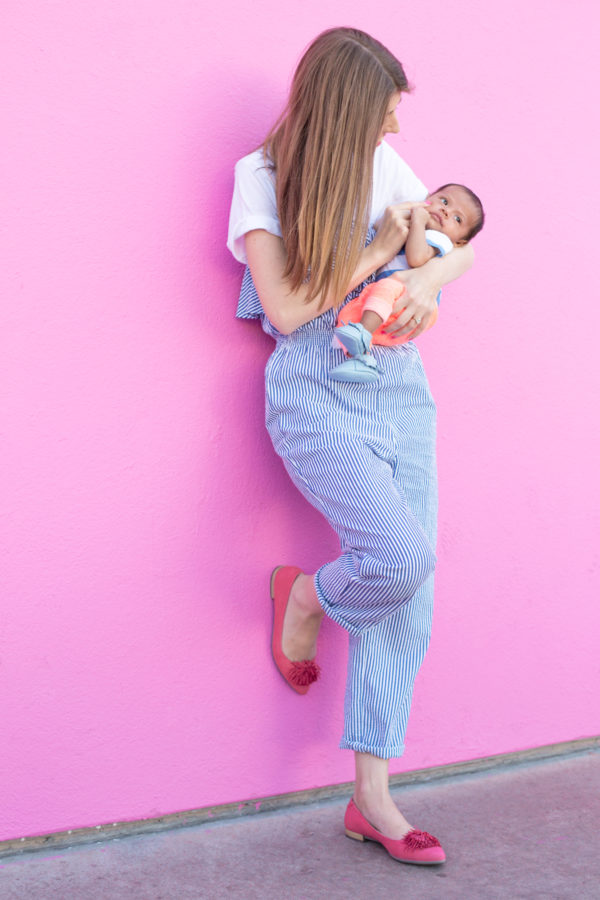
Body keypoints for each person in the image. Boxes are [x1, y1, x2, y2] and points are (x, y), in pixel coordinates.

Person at [227, 27, 475, 867]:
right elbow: (290, 310)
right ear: (348, 111)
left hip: (399, 388)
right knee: (401, 557)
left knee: (413, 594)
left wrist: (424, 291)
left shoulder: (387, 170)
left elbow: (452, 247)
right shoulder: (259, 179)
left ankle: (372, 797)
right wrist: (377, 254)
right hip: (313, 387)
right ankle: (303, 600)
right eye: (385, 116)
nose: (396, 133)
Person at [330, 183, 484, 382]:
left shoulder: (440, 240)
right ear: (429, 196)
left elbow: (416, 258)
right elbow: (377, 229)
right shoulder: (411, 223)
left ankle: (362, 335)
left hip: (408, 301)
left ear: (460, 242)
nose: (445, 211)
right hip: (388, 298)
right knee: (349, 315)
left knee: (382, 294)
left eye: (457, 218)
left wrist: (419, 221)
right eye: (444, 201)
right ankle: (361, 360)